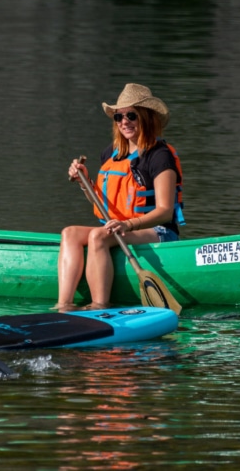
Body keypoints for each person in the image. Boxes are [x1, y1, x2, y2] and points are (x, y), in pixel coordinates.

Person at [57, 83, 184, 310]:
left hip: (159, 231)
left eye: (131, 115)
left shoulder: (159, 156)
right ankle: (64, 305)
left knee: (98, 236)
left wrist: (128, 224)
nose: (124, 122)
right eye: (119, 117)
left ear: (147, 117)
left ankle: (99, 305)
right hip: (118, 228)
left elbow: (165, 211)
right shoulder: (112, 153)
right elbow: (102, 204)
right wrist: (84, 182)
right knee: (69, 233)